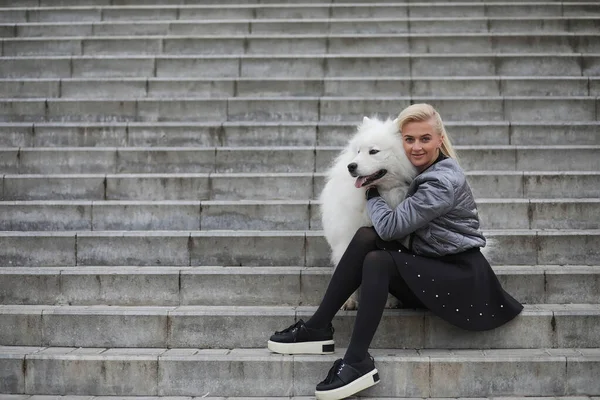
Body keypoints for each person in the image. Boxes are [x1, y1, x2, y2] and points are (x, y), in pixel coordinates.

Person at [267, 103, 523, 400]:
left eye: (425, 139)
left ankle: (356, 360)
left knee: (378, 259)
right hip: (433, 267)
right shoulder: (424, 171)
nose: (415, 147)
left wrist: (371, 190)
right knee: (365, 237)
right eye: (410, 139)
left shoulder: (441, 180)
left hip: (460, 281)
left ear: (440, 139)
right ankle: (318, 327)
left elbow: (390, 229)